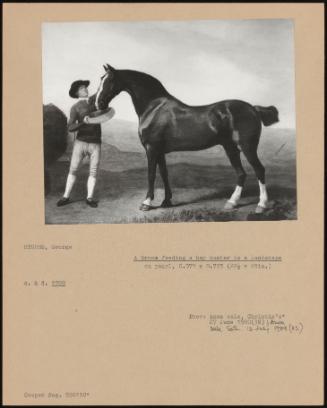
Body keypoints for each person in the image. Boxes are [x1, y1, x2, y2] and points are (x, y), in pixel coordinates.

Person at [57, 80, 113, 208]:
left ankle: (89, 198)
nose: (85, 89)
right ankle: (65, 196)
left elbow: (103, 95)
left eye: (85, 87)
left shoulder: (96, 101)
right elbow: (70, 128)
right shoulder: (75, 107)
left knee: (93, 171)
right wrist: (83, 123)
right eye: (82, 88)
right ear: (77, 93)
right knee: (73, 169)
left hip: (95, 143)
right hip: (80, 143)